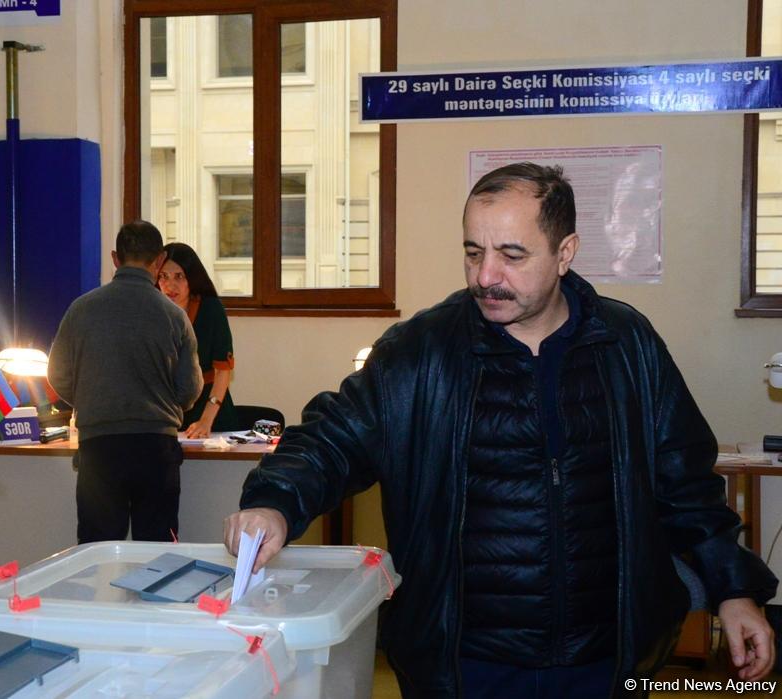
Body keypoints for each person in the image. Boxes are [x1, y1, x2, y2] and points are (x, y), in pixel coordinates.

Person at [224, 163, 778, 698]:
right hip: (464, 666)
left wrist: (734, 591)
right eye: (473, 252)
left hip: (606, 658)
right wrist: (275, 500)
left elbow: (685, 485)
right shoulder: (420, 352)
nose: (486, 276)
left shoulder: (626, 345)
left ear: (565, 253)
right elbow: (331, 439)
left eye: (512, 255)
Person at [48, 220, 202, 543]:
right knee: (157, 551)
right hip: (156, 448)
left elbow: (57, 375)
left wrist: (92, 398)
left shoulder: (81, 310)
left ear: (115, 259)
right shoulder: (175, 317)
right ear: (159, 261)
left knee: (97, 550)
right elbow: (190, 388)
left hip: (99, 448)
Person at [157, 242, 239, 437]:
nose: (170, 285)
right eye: (163, 276)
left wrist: (205, 420)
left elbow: (222, 371)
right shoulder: (152, 311)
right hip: (167, 411)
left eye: (179, 276)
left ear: (192, 278)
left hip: (210, 409)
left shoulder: (211, 309)